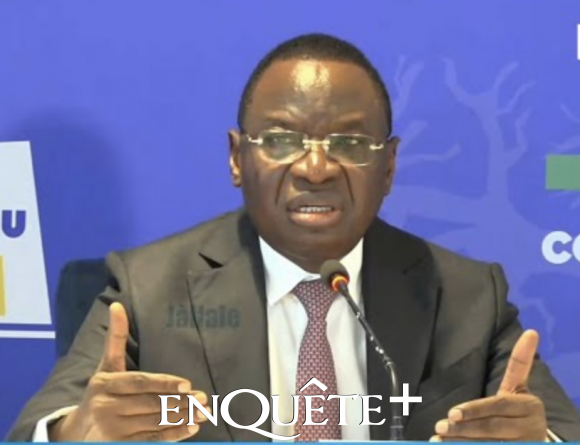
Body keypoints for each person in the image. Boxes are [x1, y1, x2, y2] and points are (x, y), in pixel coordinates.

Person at [7, 33, 580, 442]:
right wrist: (74, 433)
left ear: (389, 167)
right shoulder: (148, 289)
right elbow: (36, 430)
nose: (315, 169)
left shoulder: (467, 295)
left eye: (350, 144)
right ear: (238, 158)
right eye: (281, 141)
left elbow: (555, 430)